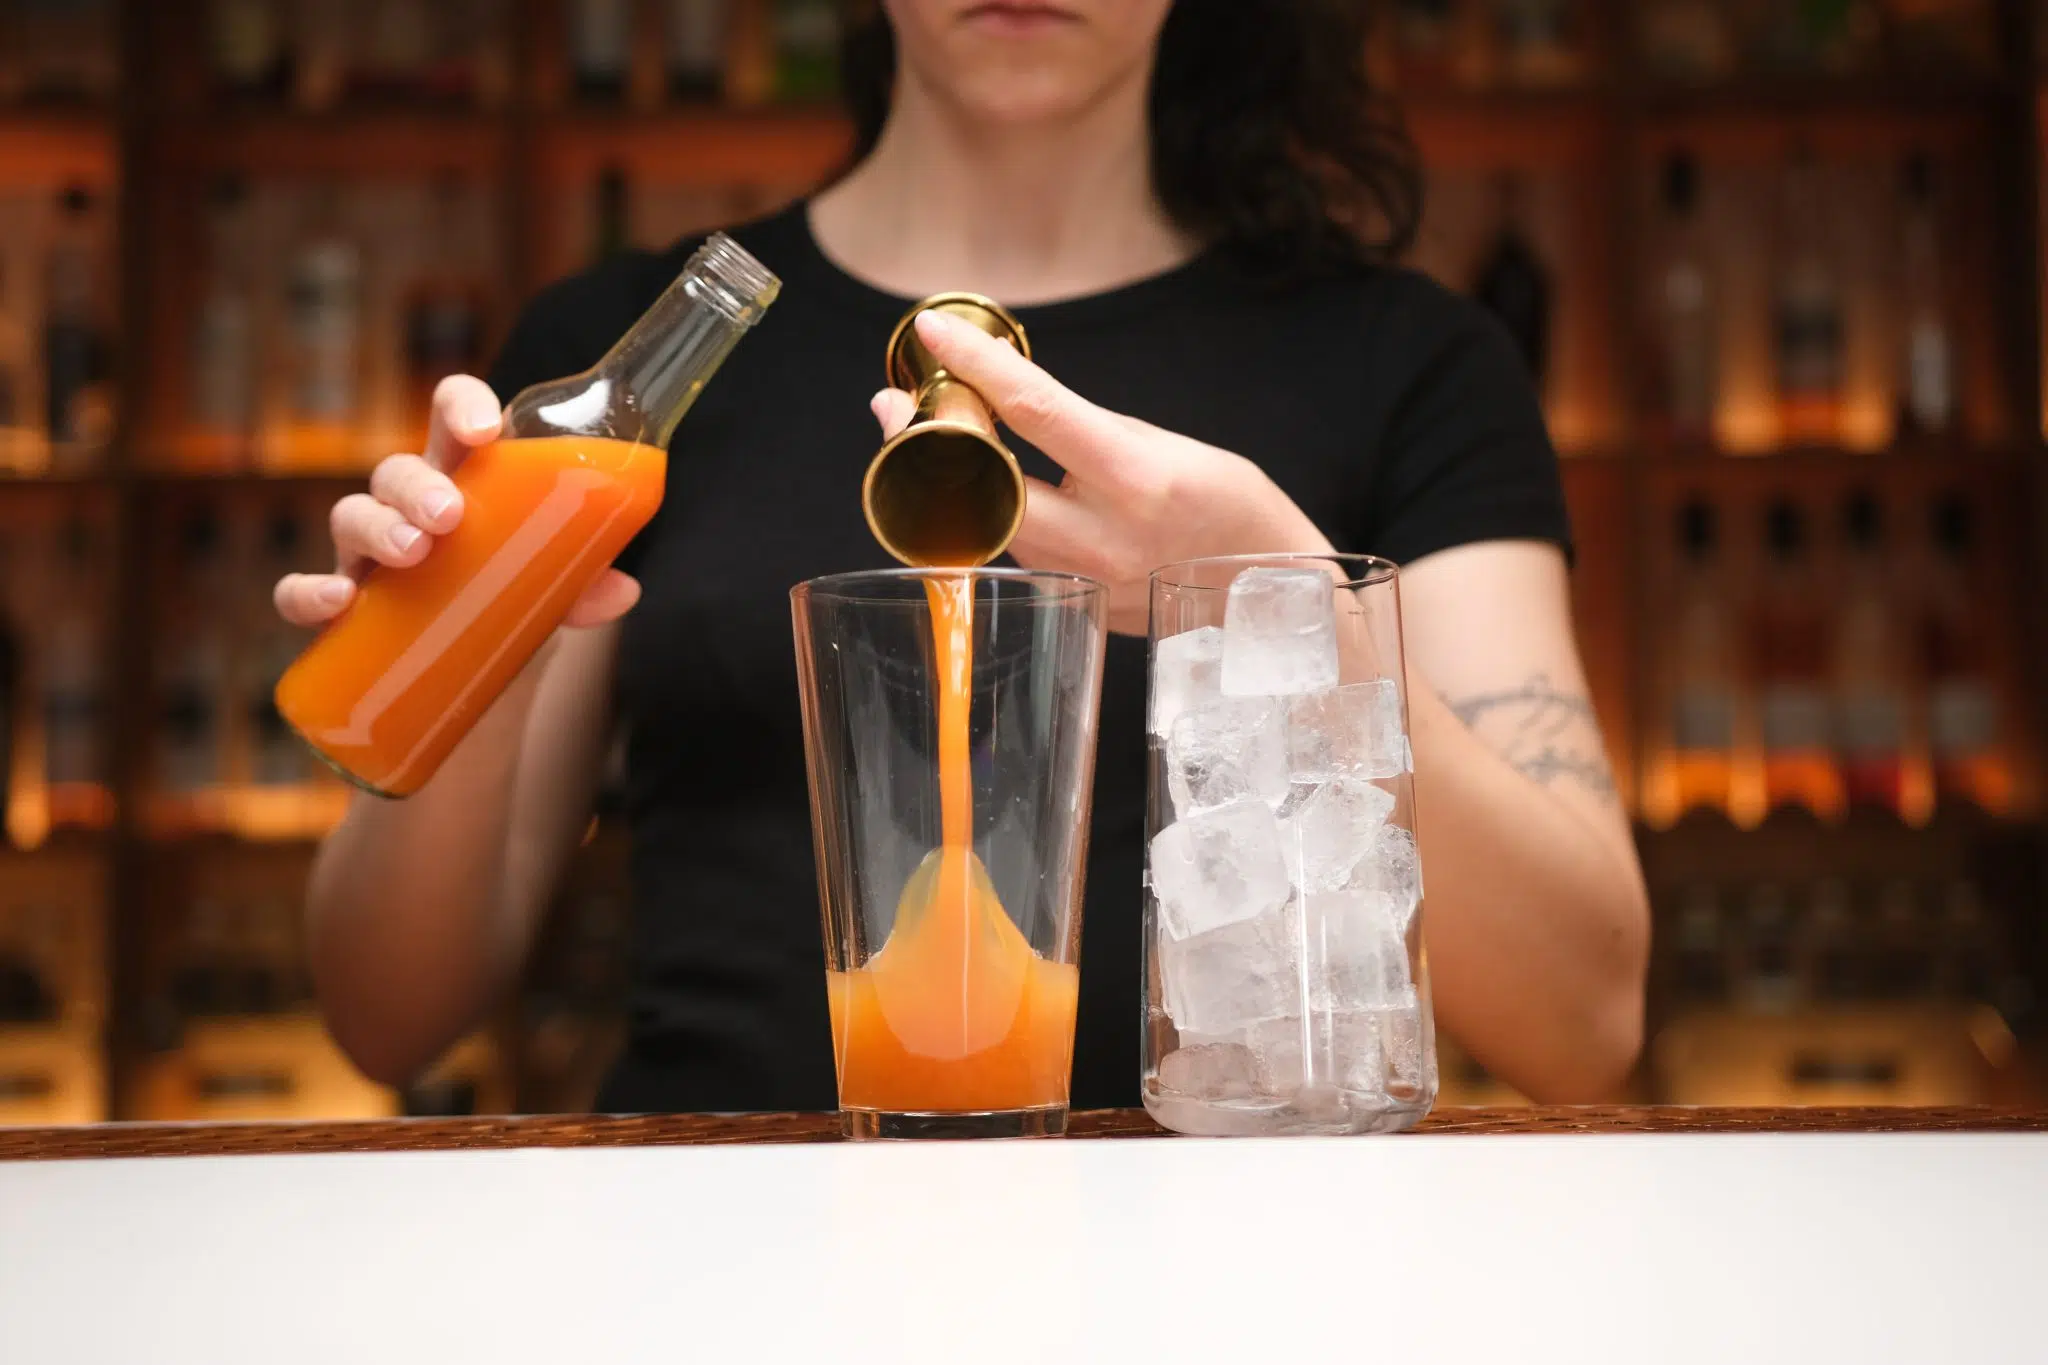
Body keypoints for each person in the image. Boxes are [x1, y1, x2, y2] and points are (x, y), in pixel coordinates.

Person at [274, 0, 1649, 1110]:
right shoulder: (628, 361)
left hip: (1232, 1275)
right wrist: (473, 650)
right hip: (707, 1270)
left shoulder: (1405, 361)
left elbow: (1586, 1023)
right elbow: (389, 1016)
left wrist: (1283, 611)